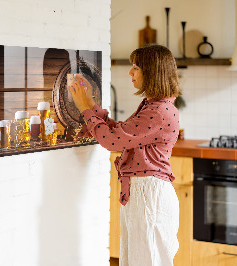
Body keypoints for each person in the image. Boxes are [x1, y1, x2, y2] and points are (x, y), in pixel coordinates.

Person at [69, 44, 181, 266]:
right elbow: (120, 133)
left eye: (136, 67)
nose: (130, 72)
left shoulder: (158, 111)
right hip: (144, 193)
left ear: (152, 72)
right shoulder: (154, 106)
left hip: (149, 195)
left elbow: (112, 141)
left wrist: (84, 108)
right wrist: (91, 104)